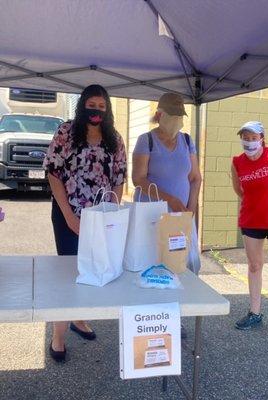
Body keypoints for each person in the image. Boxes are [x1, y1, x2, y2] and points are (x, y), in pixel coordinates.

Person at [43, 84, 127, 361]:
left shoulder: (114, 138)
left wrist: (111, 215)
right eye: (92, 104)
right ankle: (58, 334)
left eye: (102, 106)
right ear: (82, 106)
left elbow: (118, 178)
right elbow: (54, 173)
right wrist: (68, 216)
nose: (96, 110)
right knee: (68, 274)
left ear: (108, 109)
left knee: (91, 270)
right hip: (68, 213)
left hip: (100, 218)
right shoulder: (66, 132)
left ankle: (78, 319)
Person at [132, 93, 202, 337]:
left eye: (179, 117)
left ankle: (176, 318)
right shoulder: (146, 140)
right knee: (152, 266)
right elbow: (139, 179)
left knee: (181, 265)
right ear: (160, 115)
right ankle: (149, 318)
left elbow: (195, 178)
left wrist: (190, 211)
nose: (176, 121)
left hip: (179, 218)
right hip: (152, 216)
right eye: (172, 116)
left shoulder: (187, 140)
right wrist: (170, 199)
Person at [231, 121, 268, 330]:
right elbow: (239, 190)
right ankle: (255, 312)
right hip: (251, 219)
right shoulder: (237, 162)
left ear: (261, 138)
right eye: (245, 138)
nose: (248, 142)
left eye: (253, 138)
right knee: (254, 266)